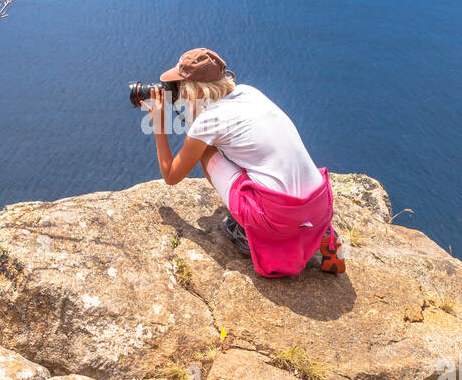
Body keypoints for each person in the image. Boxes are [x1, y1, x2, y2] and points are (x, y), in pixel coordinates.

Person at [142, 47, 346, 276]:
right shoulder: (250, 92)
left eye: (182, 87)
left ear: (196, 91)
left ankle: (251, 234)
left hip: (278, 218)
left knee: (206, 150)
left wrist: (160, 125)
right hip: (318, 204)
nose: (180, 93)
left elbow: (171, 176)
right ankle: (321, 234)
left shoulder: (208, 122)